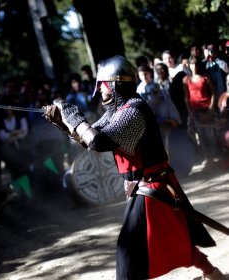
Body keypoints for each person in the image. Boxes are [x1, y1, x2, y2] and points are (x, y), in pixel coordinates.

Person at [43, 55, 226, 280]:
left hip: (152, 189)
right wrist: (63, 122)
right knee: (174, 238)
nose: (99, 91)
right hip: (148, 189)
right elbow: (88, 140)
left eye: (103, 85)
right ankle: (213, 274)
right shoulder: (117, 113)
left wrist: (74, 117)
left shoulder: (135, 109)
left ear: (115, 85)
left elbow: (99, 142)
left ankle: (213, 273)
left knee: (129, 250)